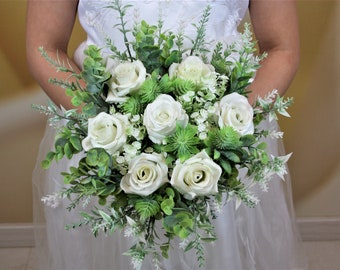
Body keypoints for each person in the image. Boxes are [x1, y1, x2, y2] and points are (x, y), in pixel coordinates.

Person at [26, 0, 308, 269]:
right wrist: (115, 130)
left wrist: (227, 127)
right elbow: (45, 46)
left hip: (225, 142)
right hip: (103, 138)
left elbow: (281, 48)